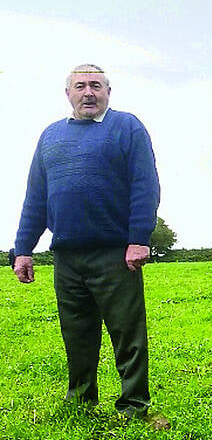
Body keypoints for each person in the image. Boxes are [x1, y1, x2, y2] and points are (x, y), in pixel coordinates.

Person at [13, 64, 161, 421]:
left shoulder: (127, 127)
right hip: (67, 256)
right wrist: (22, 249)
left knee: (127, 332)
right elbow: (37, 196)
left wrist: (138, 239)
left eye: (96, 85)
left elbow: (145, 184)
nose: (88, 93)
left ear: (109, 91)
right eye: (80, 86)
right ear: (69, 93)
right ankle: (80, 400)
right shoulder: (51, 136)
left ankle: (134, 405)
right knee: (76, 332)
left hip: (115, 253)